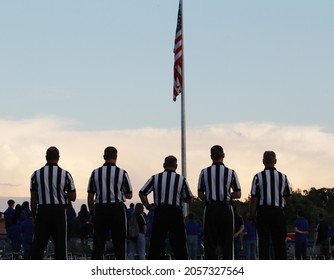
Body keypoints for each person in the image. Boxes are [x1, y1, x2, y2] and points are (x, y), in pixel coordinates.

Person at [139, 155, 193, 260]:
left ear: (164, 165)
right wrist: (179, 197)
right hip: (175, 212)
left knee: (156, 244)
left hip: (160, 212)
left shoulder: (155, 178)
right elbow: (189, 198)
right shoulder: (181, 179)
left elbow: (142, 193)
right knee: (179, 244)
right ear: (176, 166)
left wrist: (148, 206)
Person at [30, 146, 77, 260]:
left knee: (38, 246)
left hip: (43, 210)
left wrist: (34, 215)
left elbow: (33, 199)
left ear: (46, 157)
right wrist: (62, 193)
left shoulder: (36, 174)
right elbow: (73, 197)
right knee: (60, 246)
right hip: (59, 212)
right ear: (58, 158)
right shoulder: (65, 174)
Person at [87, 146, 133, 260]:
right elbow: (129, 194)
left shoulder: (95, 173)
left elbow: (90, 195)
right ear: (116, 157)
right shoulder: (122, 173)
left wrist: (92, 213)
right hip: (117, 208)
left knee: (98, 243)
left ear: (104, 157)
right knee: (119, 243)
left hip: (101, 208)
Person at [197, 145, 241, 260]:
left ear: (211, 156)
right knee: (228, 243)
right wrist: (227, 195)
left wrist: (209, 196)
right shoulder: (230, 172)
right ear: (223, 155)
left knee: (210, 243)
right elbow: (238, 193)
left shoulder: (204, 172)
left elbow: (200, 194)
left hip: (211, 208)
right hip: (225, 208)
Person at [250, 151, 292, 260]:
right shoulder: (283, 177)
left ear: (263, 161)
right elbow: (288, 196)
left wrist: (252, 215)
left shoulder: (258, 177)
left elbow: (254, 199)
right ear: (275, 161)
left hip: (263, 212)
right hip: (278, 211)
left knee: (263, 244)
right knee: (280, 243)